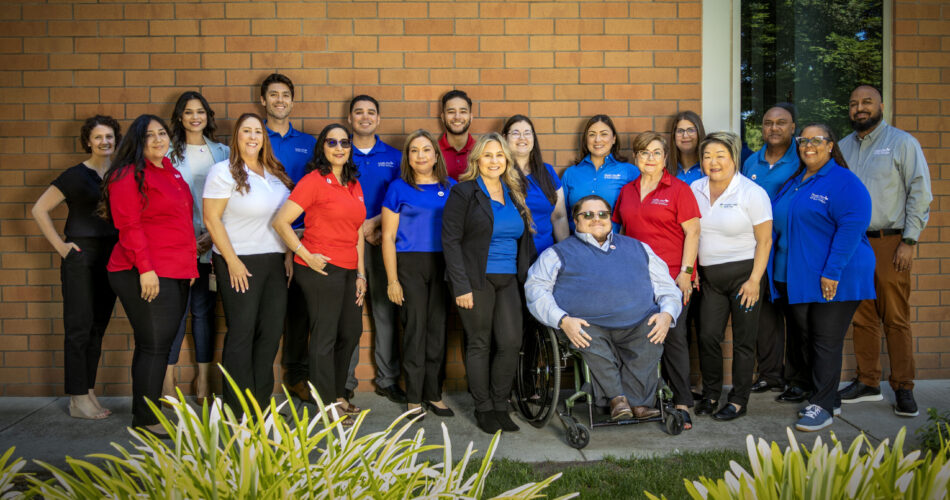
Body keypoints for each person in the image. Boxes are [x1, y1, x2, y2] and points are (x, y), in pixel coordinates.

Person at [526, 195, 682, 421]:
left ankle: (638, 403)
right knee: (587, 338)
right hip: (586, 324)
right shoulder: (557, 253)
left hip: (637, 322)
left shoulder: (639, 248)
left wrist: (667, 314)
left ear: (610, 218)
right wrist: (562, 320)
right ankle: (617, 399)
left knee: (652, 335)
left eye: (602, 214)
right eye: (587, 215)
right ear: (575, 221)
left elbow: (667, 287)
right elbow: (535, 289)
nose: (596, 219)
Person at [769, 124, 876, 431]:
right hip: (800, 275)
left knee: (824, 341)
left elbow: (852, 226)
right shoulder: (797, 181)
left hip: (836, 275)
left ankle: (822, 407)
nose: (809, 145)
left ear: (831, 145)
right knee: (806, 338)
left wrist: (832, 272)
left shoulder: (843, 181)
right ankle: (830, 397)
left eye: (817, 140)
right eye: (804, 140)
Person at [99, 115, 198, 437]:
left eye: (161, 134)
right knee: (154, 346)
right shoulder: (128, 175)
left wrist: (189, 269)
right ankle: (145, 419)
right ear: (137, 143)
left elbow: (179, 225)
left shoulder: (170, 172)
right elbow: (130, 226)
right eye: (149, 136)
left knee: (159, 343)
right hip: (143, 271)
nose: (158, 140)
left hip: (174, 270)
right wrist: (146, 269)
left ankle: (148, 410)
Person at [838, 84, 933, 417]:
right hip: (853, 244)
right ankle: (867, 382)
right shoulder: (842, 148)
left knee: (895, 317)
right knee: (862, 316)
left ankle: (904, 387)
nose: (859, 108)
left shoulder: (902, 143)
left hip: (890, 241)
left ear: (881, 105)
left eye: (866, 102)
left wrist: (909, 241)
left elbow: (920, 192)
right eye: (853, 104)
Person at [441, 133, 536, 434]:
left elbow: (524, 238)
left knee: (510, 342)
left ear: (506, 159)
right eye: (487, 155)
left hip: (509, 280)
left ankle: (499, 403)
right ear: (477, 160)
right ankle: (483, 408)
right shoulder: (464, 192)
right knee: (480, 343)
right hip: (475, 279)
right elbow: (451, 241)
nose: (494, 161)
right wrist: (461, 286)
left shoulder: (513, 191)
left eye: (499, 155)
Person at [272, 124, 367, 425]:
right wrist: (305, 255)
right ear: (322, 148)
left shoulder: (353, 183)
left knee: (351, 332)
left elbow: (358, 232)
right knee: (324, 336)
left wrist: (362, 274)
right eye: (332, 142)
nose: (339, 147)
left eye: (344, 142)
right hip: (319, 267)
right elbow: (281, 222)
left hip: (350, 269)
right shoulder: (313, 181)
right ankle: (326, 405)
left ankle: (338, 393)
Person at [203, 113, 294, 412]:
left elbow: (284, 222)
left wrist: (289, 256)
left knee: (269, 334)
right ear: (237, 137)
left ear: (264, 138)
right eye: (246, 131)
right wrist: (232, 261)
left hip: (274, 262)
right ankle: (236, 408)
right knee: (242, 332)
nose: (252, 136)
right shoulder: (223, 171)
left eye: (258, 131)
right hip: (238, 260)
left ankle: (261, 405)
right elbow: (211, 219)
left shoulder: (274, 173)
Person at [32, 115, 121, 420]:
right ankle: (76, 398)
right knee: (78, 328)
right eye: (98, 137)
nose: (104, 142)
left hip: (112, 256)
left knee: (97, 327)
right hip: (80, 256)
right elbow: (39, 209)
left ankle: (88, 391)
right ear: (88, 141)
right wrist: (61, 246)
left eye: (109, 136)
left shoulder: (120, 174)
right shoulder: (74, 175)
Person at [612, 131, 700, 429]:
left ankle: (682, 403)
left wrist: (686, 274)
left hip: (672, 278)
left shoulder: (678, 190)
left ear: (666, 158)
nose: (650, 158)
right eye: (644, 152)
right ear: (636, 157)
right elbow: (620, 234)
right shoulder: (626, 191)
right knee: (638, 337)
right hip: (636, 279)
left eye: (656, 152)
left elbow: (693, 232)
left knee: (674, 338)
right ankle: (640, 400)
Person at [690, 132, 772, 422]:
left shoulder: (751, 193)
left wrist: (754, 280)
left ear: (734, 158)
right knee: (707, 335)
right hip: (709, 278)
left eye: (720, 155)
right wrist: (693, 269)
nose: (713, 162)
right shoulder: (695, 188)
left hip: (744, 277)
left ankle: (738, 400)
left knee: (743, 340)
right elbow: (692, 233)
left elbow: (764, 241)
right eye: (707, 156)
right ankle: (711, 394)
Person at [380, 130, 457, 417]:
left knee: (437, 331)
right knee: (414, 330)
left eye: (426, 149)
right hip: (409, 265)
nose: (421, 155)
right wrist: (392, 280)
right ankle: (413, 397)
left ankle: (433, 394)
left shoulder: (451, 188)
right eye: (414, 150)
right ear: (408, 157)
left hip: (443, 264)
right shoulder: (398, 188)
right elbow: (387, 237)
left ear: (436, 155)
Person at [162, 91, 230, 407]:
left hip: (211, 246)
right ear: (179, 117)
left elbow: (230, 201)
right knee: (174, 314)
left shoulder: (223, 152)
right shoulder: (166, 153)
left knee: (203, 312)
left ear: (207, 115)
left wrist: (212, 238)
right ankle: (168, 378)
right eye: (188, 112)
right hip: (176, 247)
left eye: (200, 111)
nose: (194, 117)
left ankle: (204, 376)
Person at [258, 73, 318, 402]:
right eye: (273, 95)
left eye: (285, 95)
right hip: (261, 237)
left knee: (300, 311)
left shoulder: (309, 143)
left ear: (292, 101)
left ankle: (296, 377)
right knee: (264, 313)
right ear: (263, 100)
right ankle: (258, 383)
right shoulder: (253, 136)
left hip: (301, 237)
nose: (280, 100)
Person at [345, 95, 405, 404]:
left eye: (371, 113)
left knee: (384, 311)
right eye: (359, 112)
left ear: (379, 119)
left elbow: (403, 197)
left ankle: (387, 379)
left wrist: (376, 226)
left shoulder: (395, 157)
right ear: (350, 118)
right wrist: (359, 228)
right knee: (348, 312)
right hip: (345, 243)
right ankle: (344, 382)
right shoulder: (339, 152)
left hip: (382, 241)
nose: (365, 117)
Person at [742, 103, 799, 398]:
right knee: (764, 316)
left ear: (793, 128)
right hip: (758, 250)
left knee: (795, 315)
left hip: (792, 249)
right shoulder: (751, 163)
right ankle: (769, 374)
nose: (774, 128)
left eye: (781, 123)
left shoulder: (802, 159)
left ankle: (797, 378)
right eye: (768, 122)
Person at [502, 114, 569, 254]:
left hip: (544, 259)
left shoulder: (547, 172)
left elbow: (559, 217)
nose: (522, 138)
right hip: (508, 258)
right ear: (504, 138)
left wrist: (566, 252)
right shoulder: (498, 173)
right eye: (515, 133)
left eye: (527, 133)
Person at [561, 115, 639, 232]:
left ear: (614, 139)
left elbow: (637, 214)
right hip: (577, 245)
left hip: (615, 244)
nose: (597, 140)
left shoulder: (630, 172)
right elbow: (562, 216)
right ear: (586, 139)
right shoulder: (571, 173)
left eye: (604, 134)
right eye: (592, 134)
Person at [438, 89, 476, 180]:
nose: (457, 117)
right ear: (443, 117)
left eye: (463, 112)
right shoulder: (433, 152)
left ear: (471, 117)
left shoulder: (480, 151)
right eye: (451, 112)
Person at [667, 110, 707, 186]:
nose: (685, 135)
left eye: (690, 130)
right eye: (680, 131)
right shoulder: (665, 169)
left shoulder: (709, 168)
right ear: (674, 136)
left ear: (699, 133)